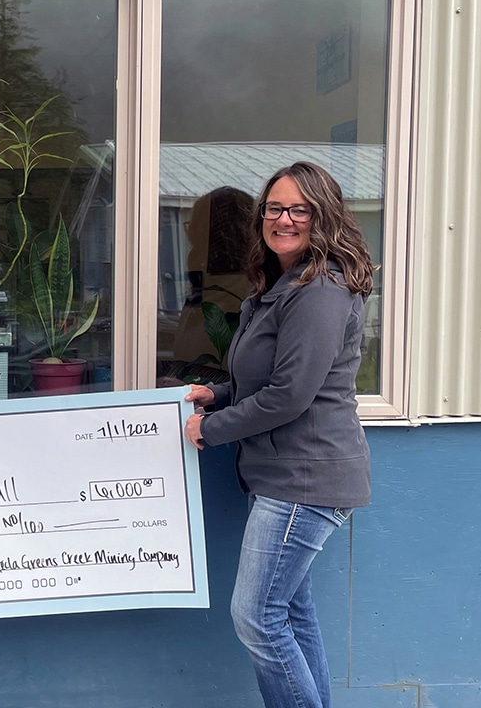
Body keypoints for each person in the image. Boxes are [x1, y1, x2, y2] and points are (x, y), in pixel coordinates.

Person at [183, 161, 373, 708]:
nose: (283, 218)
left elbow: (291, 395)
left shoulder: (319, 290)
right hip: (286, 477)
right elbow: (266, 375)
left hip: (304, 478)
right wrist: (215, 394)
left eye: (298, 209)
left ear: (321, 217)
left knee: (257, 617)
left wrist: (212, 428)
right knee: (289, 611)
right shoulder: (286, 284)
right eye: (273, 207)